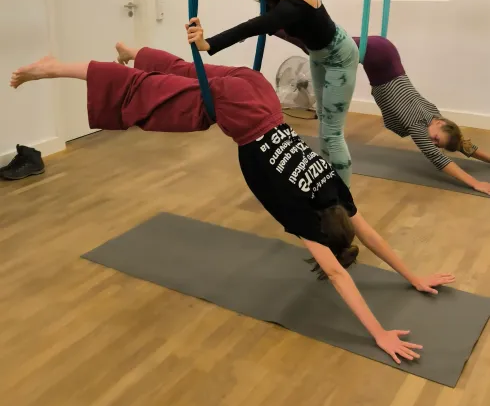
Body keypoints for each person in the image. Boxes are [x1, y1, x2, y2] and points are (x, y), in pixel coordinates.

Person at [10, 42, 455, 365]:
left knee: (184, 72)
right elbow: (338, 271)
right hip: (243, 116)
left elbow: (371, 235)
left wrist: (414, 277)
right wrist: (377, 333)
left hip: (258, 91)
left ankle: (132, 49)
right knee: (150, 95)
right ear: (324, 236)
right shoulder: (306, 218)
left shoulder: (336, 193)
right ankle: (54, 68)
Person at [187, 0, 359, 188]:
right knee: (323, 123)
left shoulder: (298, 3)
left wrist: (208, 44)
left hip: (339, 57)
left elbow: (254, 26)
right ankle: (330, 186)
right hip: (318, 54)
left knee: (333, 133)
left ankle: (345, 204)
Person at [278, 31, 490, 195]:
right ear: (441, 124)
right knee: (317, 48)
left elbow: (461, 143)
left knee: (321, 44)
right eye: (435, 138)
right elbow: (439, 160)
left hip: (385, 51)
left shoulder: (434, 114)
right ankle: (276, 26)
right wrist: (475, 183)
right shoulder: (418, 125)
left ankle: (282, 25)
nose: (431, 142)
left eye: (436, 143)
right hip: (377, 57)